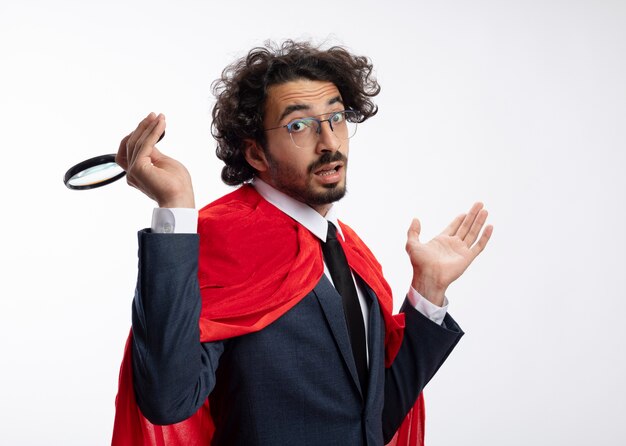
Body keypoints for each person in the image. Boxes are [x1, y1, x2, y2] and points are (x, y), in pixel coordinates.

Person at [111, 40, 492, 446]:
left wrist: (428, 291)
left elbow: (371, 423)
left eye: (337, 117)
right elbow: (167, 399)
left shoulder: (351, 251)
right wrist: (176, 211)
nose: (329, 142)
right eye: (298, 125)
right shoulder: (220, 237)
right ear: (256, 153)